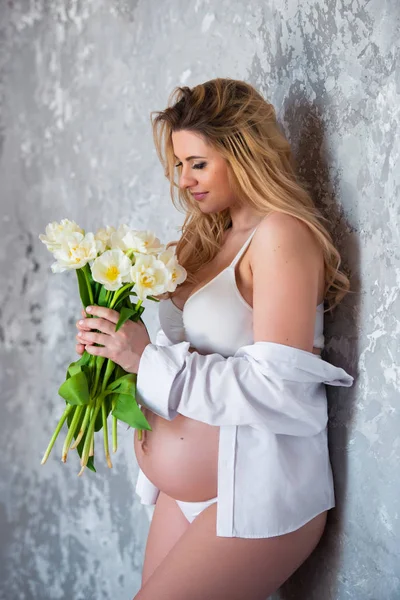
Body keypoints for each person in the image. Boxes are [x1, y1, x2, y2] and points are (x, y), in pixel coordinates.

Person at [75, 78, 354, 600]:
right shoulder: (205, 239)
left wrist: (146, 360)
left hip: (252, 489)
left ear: (244, 152)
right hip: (190, 493)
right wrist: (112, 347)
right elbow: (176, 360)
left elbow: (282, 393)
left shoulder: (281, 236)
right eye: (179, 165)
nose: (184, 180)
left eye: (198, 163)